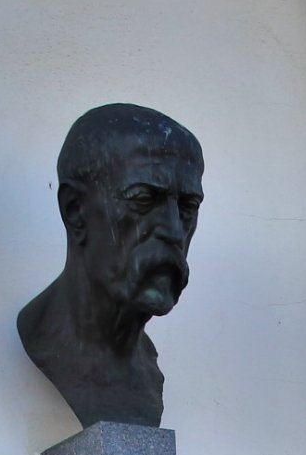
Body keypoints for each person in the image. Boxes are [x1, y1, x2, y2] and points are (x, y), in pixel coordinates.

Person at [16, 104, 203, 429]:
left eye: (188, 206)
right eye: (143, 199)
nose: (174, 230)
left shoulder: (147, 381)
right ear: (75, 211)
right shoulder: (42, 341)